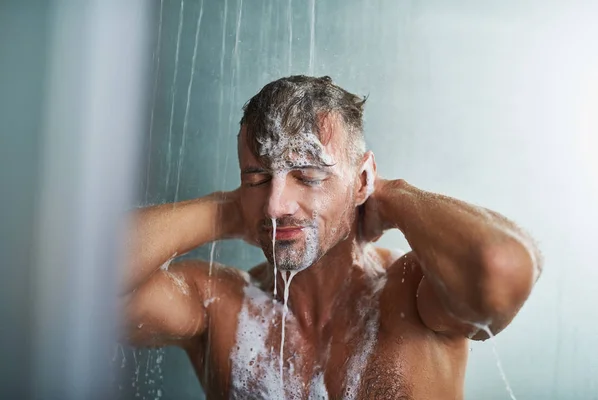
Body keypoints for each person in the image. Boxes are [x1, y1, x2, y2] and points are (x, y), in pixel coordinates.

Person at [123, 75, 542, 399]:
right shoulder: (220, 304)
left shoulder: (412, 294)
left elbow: (499, 267)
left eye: (307, 177)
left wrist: (391, 196)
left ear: (360, 180)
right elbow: (76, 285)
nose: (276, 204)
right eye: (257, 179)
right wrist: (228, 211)